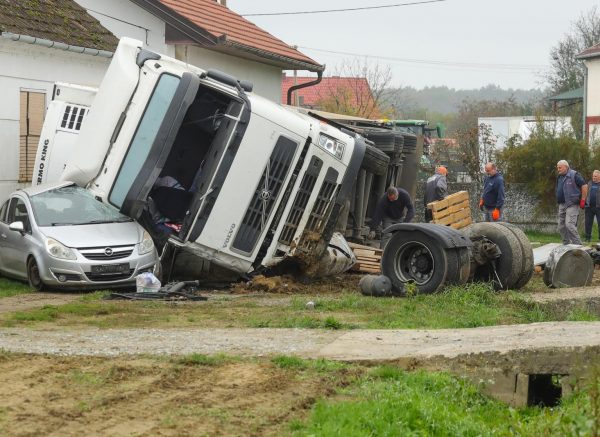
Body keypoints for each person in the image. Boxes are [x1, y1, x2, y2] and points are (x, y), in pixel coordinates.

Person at [556, 160, 587, 245]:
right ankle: (566, 245)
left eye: (560, 167)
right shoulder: (559, 176)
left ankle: (578, 245)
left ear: (566, 167)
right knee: (561, 226)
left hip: (572, 204)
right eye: (557, 168)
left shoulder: (574, 174)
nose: (558, 169)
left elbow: (584, 186)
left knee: (569, 224)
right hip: (562, 204)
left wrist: (583, 200)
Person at [584, 170, 600, 243]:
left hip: (598, 207)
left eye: (595, 176)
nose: (594, 177)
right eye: (593, 176)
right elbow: (585, 192)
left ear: (599, 177)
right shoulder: (589, 183)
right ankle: (587, 238)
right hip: (589, 207)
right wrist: (584, 202)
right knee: (588, 223)